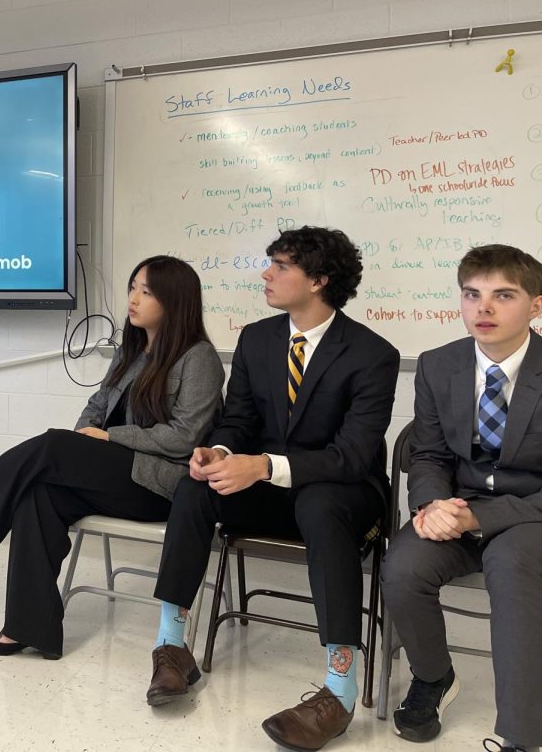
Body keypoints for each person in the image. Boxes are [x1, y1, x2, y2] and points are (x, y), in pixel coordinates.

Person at [0, 255, 224, 659]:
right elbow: (96, 405)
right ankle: (29, 629)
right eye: (132, 288)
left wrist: (107, 436)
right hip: (114, 475)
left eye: (146, 292)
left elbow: (186, 437)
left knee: (52, 444)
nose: (133, 299)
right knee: (39, 494)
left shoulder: (198, 357)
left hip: (158, 486)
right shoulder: (131, 350)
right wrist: (88, 435)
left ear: (174, 301)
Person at [145, 226, 399, 752]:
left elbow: (351, 457)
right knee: (194, 487)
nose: (267, 273)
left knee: (322, 501)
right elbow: (237, 419)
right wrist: (216, 452)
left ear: (320, 280)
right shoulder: (257, 338)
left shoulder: (372, 354)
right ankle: (172, 647)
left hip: (343, 493)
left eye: (281, 266)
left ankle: (340, 688)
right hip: (270, 488)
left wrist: (262, 466)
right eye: (271, 263)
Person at [381, 245, 542, 752]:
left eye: (503, 295)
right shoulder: (440, 365)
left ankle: (521, 739)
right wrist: (432, 505)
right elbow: (431, 453)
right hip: (455, 508)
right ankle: (434, 677)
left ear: (537, 306)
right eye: (472, 295)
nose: (483, 309)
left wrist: (475, 518)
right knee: (403, 567)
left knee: (510, 561)